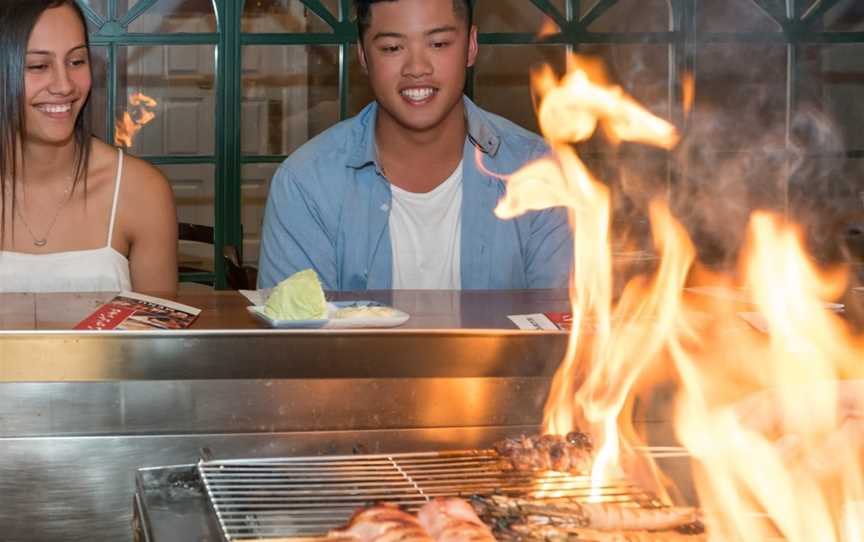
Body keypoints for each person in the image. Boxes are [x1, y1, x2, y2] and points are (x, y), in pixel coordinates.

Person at [257, 0, 572, 290]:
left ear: (471, 46)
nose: (417, 68)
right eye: (393, 47)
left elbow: (564, 335)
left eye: (438, 44)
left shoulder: (539, 171)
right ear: (363, 56)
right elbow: (294, 345)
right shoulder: (306, 185)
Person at [0, 0, 177, 295]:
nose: (65, 85)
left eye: (76, 61)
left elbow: (159, 339)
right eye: (38, 66)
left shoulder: (142, 191)